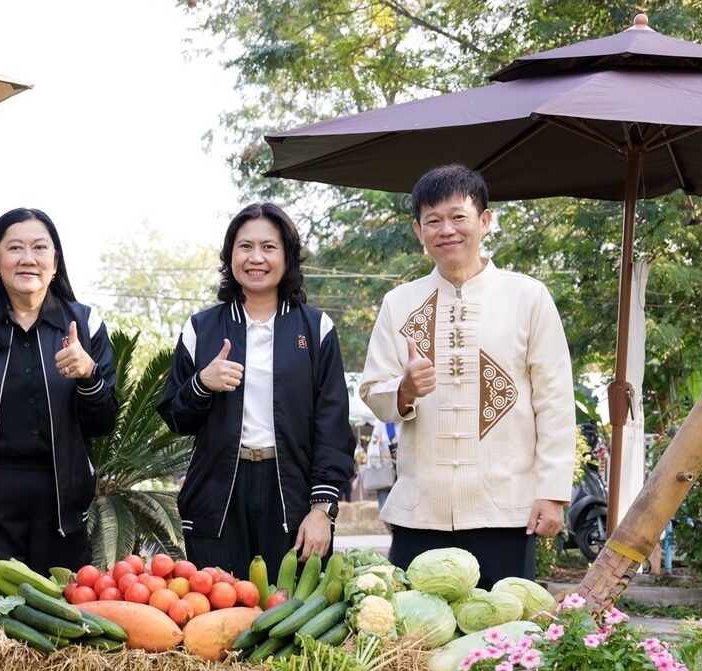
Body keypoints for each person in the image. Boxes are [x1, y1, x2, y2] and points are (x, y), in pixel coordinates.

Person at [358, 164, 574, 588]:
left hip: (505, 508)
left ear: (485, 220)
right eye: (433, 220)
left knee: (502, 633)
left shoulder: (527, 297)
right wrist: (403, 389)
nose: (446, 230)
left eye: (458, 216)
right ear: (418, 231)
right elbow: (372, 389)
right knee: (416, 637)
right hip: (421, 509)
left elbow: (554, 400)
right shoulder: (399, 303)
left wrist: (552, 491)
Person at [158, 203, 354, 577]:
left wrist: (322, 507)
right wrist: (202, 384)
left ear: (287, 256)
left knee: (288, 614)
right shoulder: (202, 329)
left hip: (291, 493)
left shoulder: (316, 328)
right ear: (230, 255)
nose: (256, 258)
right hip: (218, 495)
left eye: (269, 247)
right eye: (245, 246)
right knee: (218, 617)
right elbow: (174, 416)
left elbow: (333, 427)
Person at [0, 207, 117, 574]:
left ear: (55, 262)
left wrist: (88, 375)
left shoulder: (85, 324)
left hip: (62, 511)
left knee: (61, 623)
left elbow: (103, 422)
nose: (28, 259)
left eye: (39, 248)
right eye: (15, 248)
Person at [361, 427, 396, 511]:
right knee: (384, 506)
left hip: (401, 467)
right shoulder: (380, 423)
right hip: (383, 467)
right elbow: (374, 440)